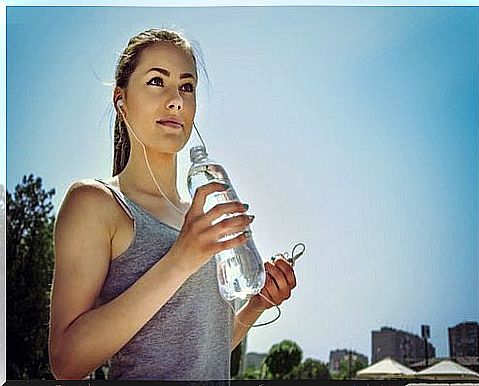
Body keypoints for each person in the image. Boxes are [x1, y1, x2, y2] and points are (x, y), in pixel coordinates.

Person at [48, 28, 297, 381]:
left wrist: (258, 303)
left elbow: (200, 349)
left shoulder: (196, 219)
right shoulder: (96, 203)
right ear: (121, 100)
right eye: (156, 81)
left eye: (186, 86)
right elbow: (66, 362)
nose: (176, 100)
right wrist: (181, 259)